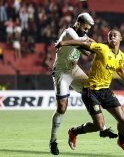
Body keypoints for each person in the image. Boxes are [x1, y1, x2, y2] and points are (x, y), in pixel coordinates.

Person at [56, 29, 124, 157]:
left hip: (106, 91)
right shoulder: (102, 48)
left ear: (120, 39)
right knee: (99, 125)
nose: (112, 37)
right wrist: (64, 42)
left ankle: (122, 142)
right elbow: (83, 45)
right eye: (110, 35)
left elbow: (119, 70)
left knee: (123, 120)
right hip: (91, 91)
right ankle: (74, 132)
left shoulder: (121, 56)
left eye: (115, 35)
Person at [49, 12, 115, 155]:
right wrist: (93, 44)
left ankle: (97, 128)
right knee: (62, 108)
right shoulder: (70, 33)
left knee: (94, 90)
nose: (86, 30)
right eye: (85, 27)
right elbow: (84, 44)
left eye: (88, 29)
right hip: (61, 72)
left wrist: (96, 47)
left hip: (74, 69)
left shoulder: (81, 35)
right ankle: (53, 141)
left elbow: (88, 51)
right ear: (78, 23)